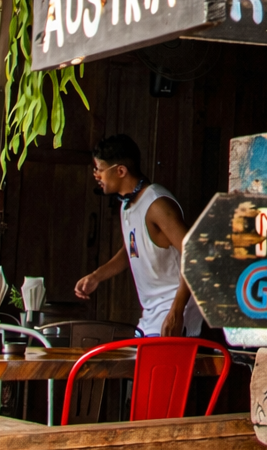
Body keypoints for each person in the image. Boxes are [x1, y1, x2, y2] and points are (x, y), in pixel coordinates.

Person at [74, 134, 202, 337]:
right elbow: (132, 250)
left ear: (121, 171)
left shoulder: (156, 204)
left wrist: (177, 312)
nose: (95, 175)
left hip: (172, 314)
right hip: (151, 317)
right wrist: (97, 276)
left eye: (99, 169)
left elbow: (194, 253)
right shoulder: (127, 204)